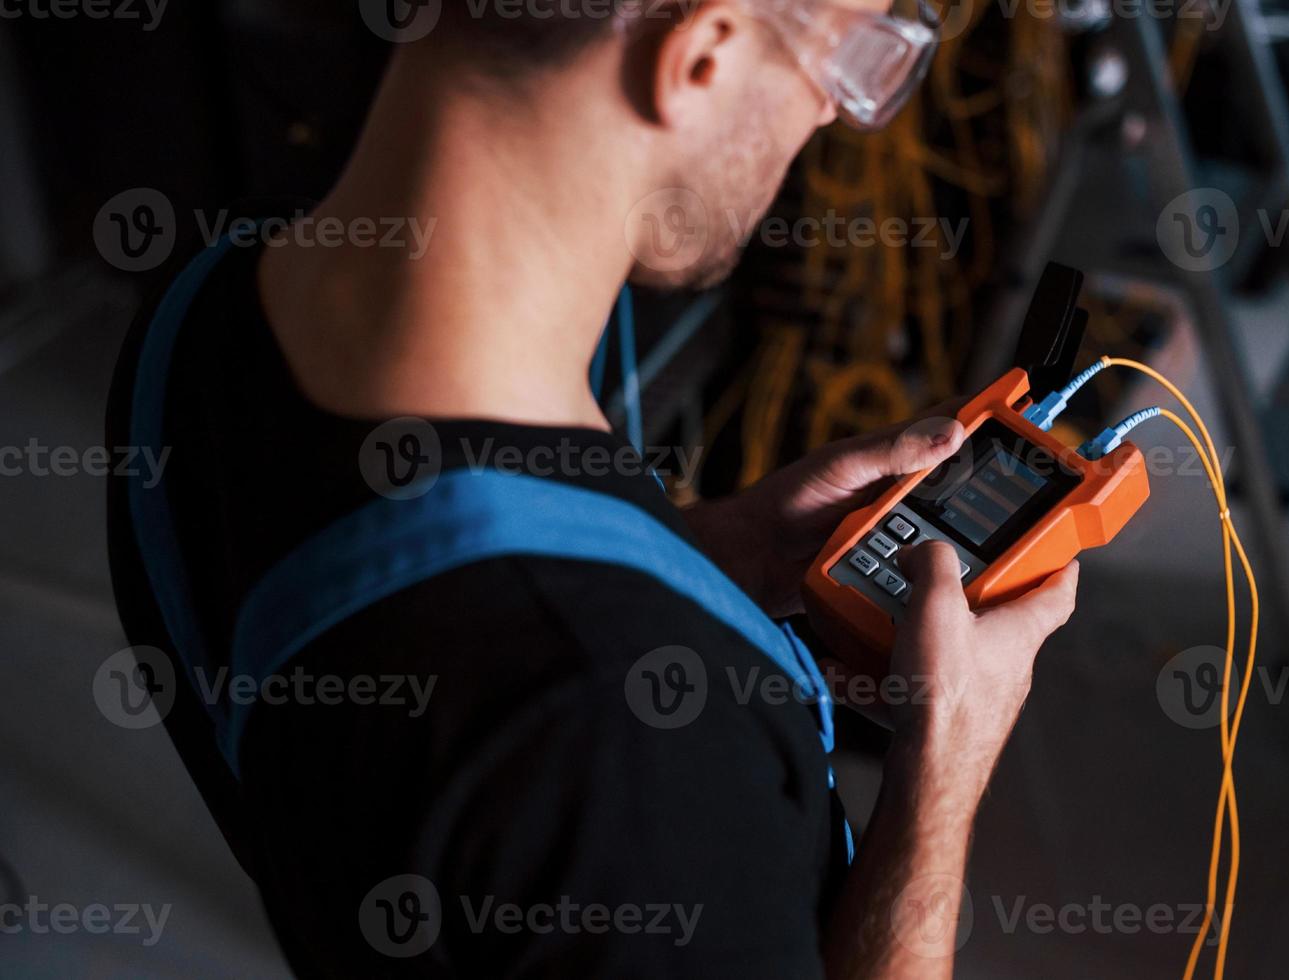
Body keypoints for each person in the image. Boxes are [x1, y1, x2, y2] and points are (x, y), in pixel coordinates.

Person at [104, 1, 1079, 975]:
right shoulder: (622, 749)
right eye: (851, 59)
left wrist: (705, 558)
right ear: (702, 56)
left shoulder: (202, 310)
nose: (830, 113)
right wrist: (940, 763)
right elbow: (550, 687)